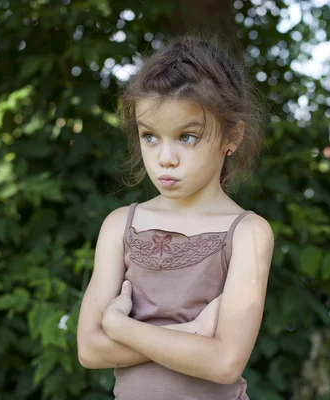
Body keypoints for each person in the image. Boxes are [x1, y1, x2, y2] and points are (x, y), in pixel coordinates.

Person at [76, 35, 275, 400]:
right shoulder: (120, 225)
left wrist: (117, 324)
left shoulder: (247, 233)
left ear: (232, 136)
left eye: (186, 136)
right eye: (150, 137)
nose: (165, 158)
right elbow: (89, 350)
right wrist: (192, 333)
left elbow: (225, 362)